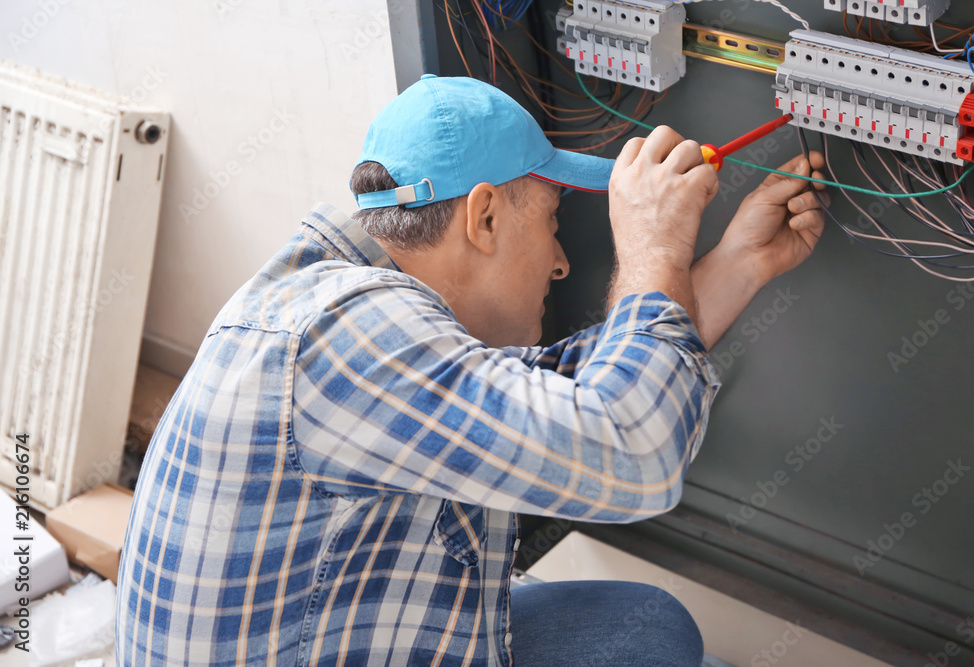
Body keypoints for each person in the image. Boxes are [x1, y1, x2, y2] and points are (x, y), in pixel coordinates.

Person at [116, 74, 828, 666]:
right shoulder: (346, 332)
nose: (560, 262)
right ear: (484, 217)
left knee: (644, 628)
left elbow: (562, 399)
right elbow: (635, 454)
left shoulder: (336, 312)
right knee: (649, 638)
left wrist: (737, 263)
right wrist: (652, 248)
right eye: (551, 221)